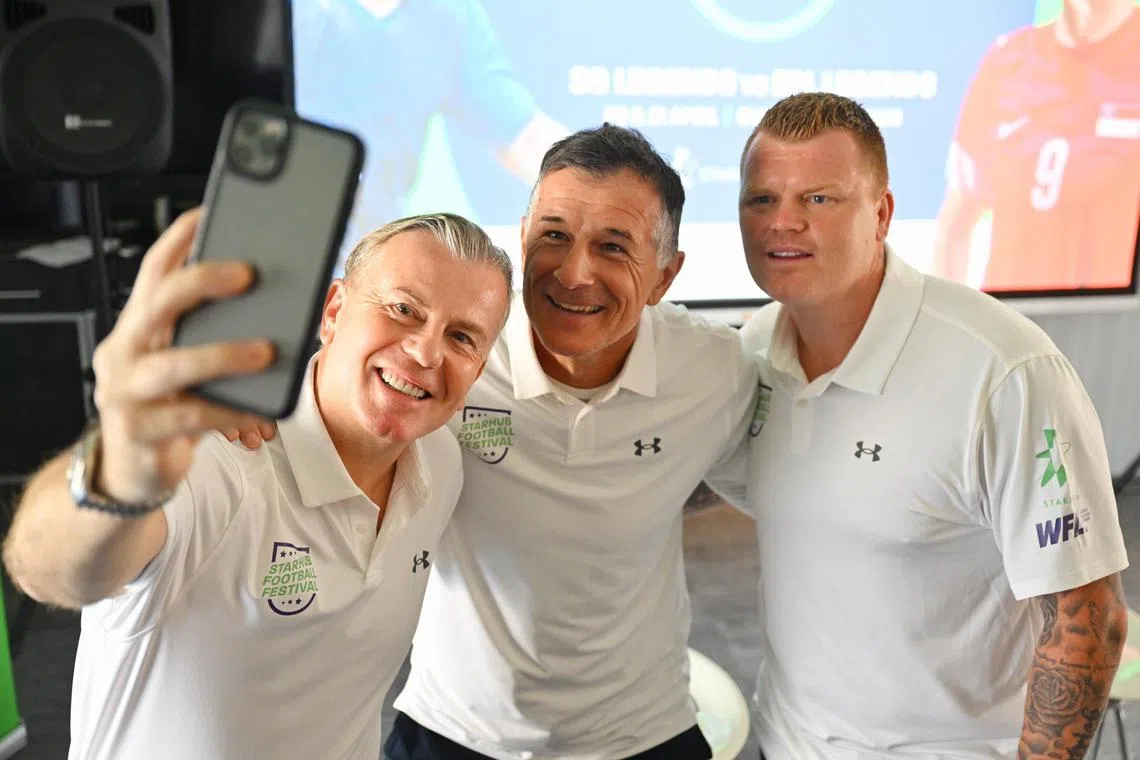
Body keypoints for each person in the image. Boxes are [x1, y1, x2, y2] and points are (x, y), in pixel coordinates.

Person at [232, 125, 760, 758]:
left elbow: (734, 470)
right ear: (523, 234)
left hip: (645, 731)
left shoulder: (715, 370)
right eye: (554, 236)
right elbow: (345, 383)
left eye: (614, 247)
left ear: (665, 276)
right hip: (452, 728)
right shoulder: (460, 355)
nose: (574, 273)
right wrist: (226, 399)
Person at [2, 211, 513, 760]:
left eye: (461, 337)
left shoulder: (441, 462)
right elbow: (49, 570)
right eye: (403, 309)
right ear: (334, 310)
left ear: (480, 366)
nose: (425, 352)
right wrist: (118, 471)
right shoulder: (218, 454)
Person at [733, 91, 1129, 758]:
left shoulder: (1004, 371)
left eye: (819, 199)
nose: (784, 223)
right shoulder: (754, 351)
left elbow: (1088, 621)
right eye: (762, 199)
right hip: (789, 742)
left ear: (881, 213)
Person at [292, 0, 569, 270]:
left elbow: (523, 137)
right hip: (286, 239)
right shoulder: (294, 13)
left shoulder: (446, 15)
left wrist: (602, 189)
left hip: (370, 259)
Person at [932, 0, 1140, 291]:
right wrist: (949, 326)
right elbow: (956, 225)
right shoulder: (1008, 60)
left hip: (1113, 323)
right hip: (1010, 319)